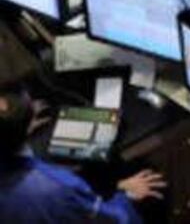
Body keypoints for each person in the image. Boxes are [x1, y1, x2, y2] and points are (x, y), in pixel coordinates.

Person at [0, 90, 167, 223]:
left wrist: (21, 126)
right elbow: (111, 219)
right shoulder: (55, 186)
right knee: (151, 179)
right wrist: (126, 194)